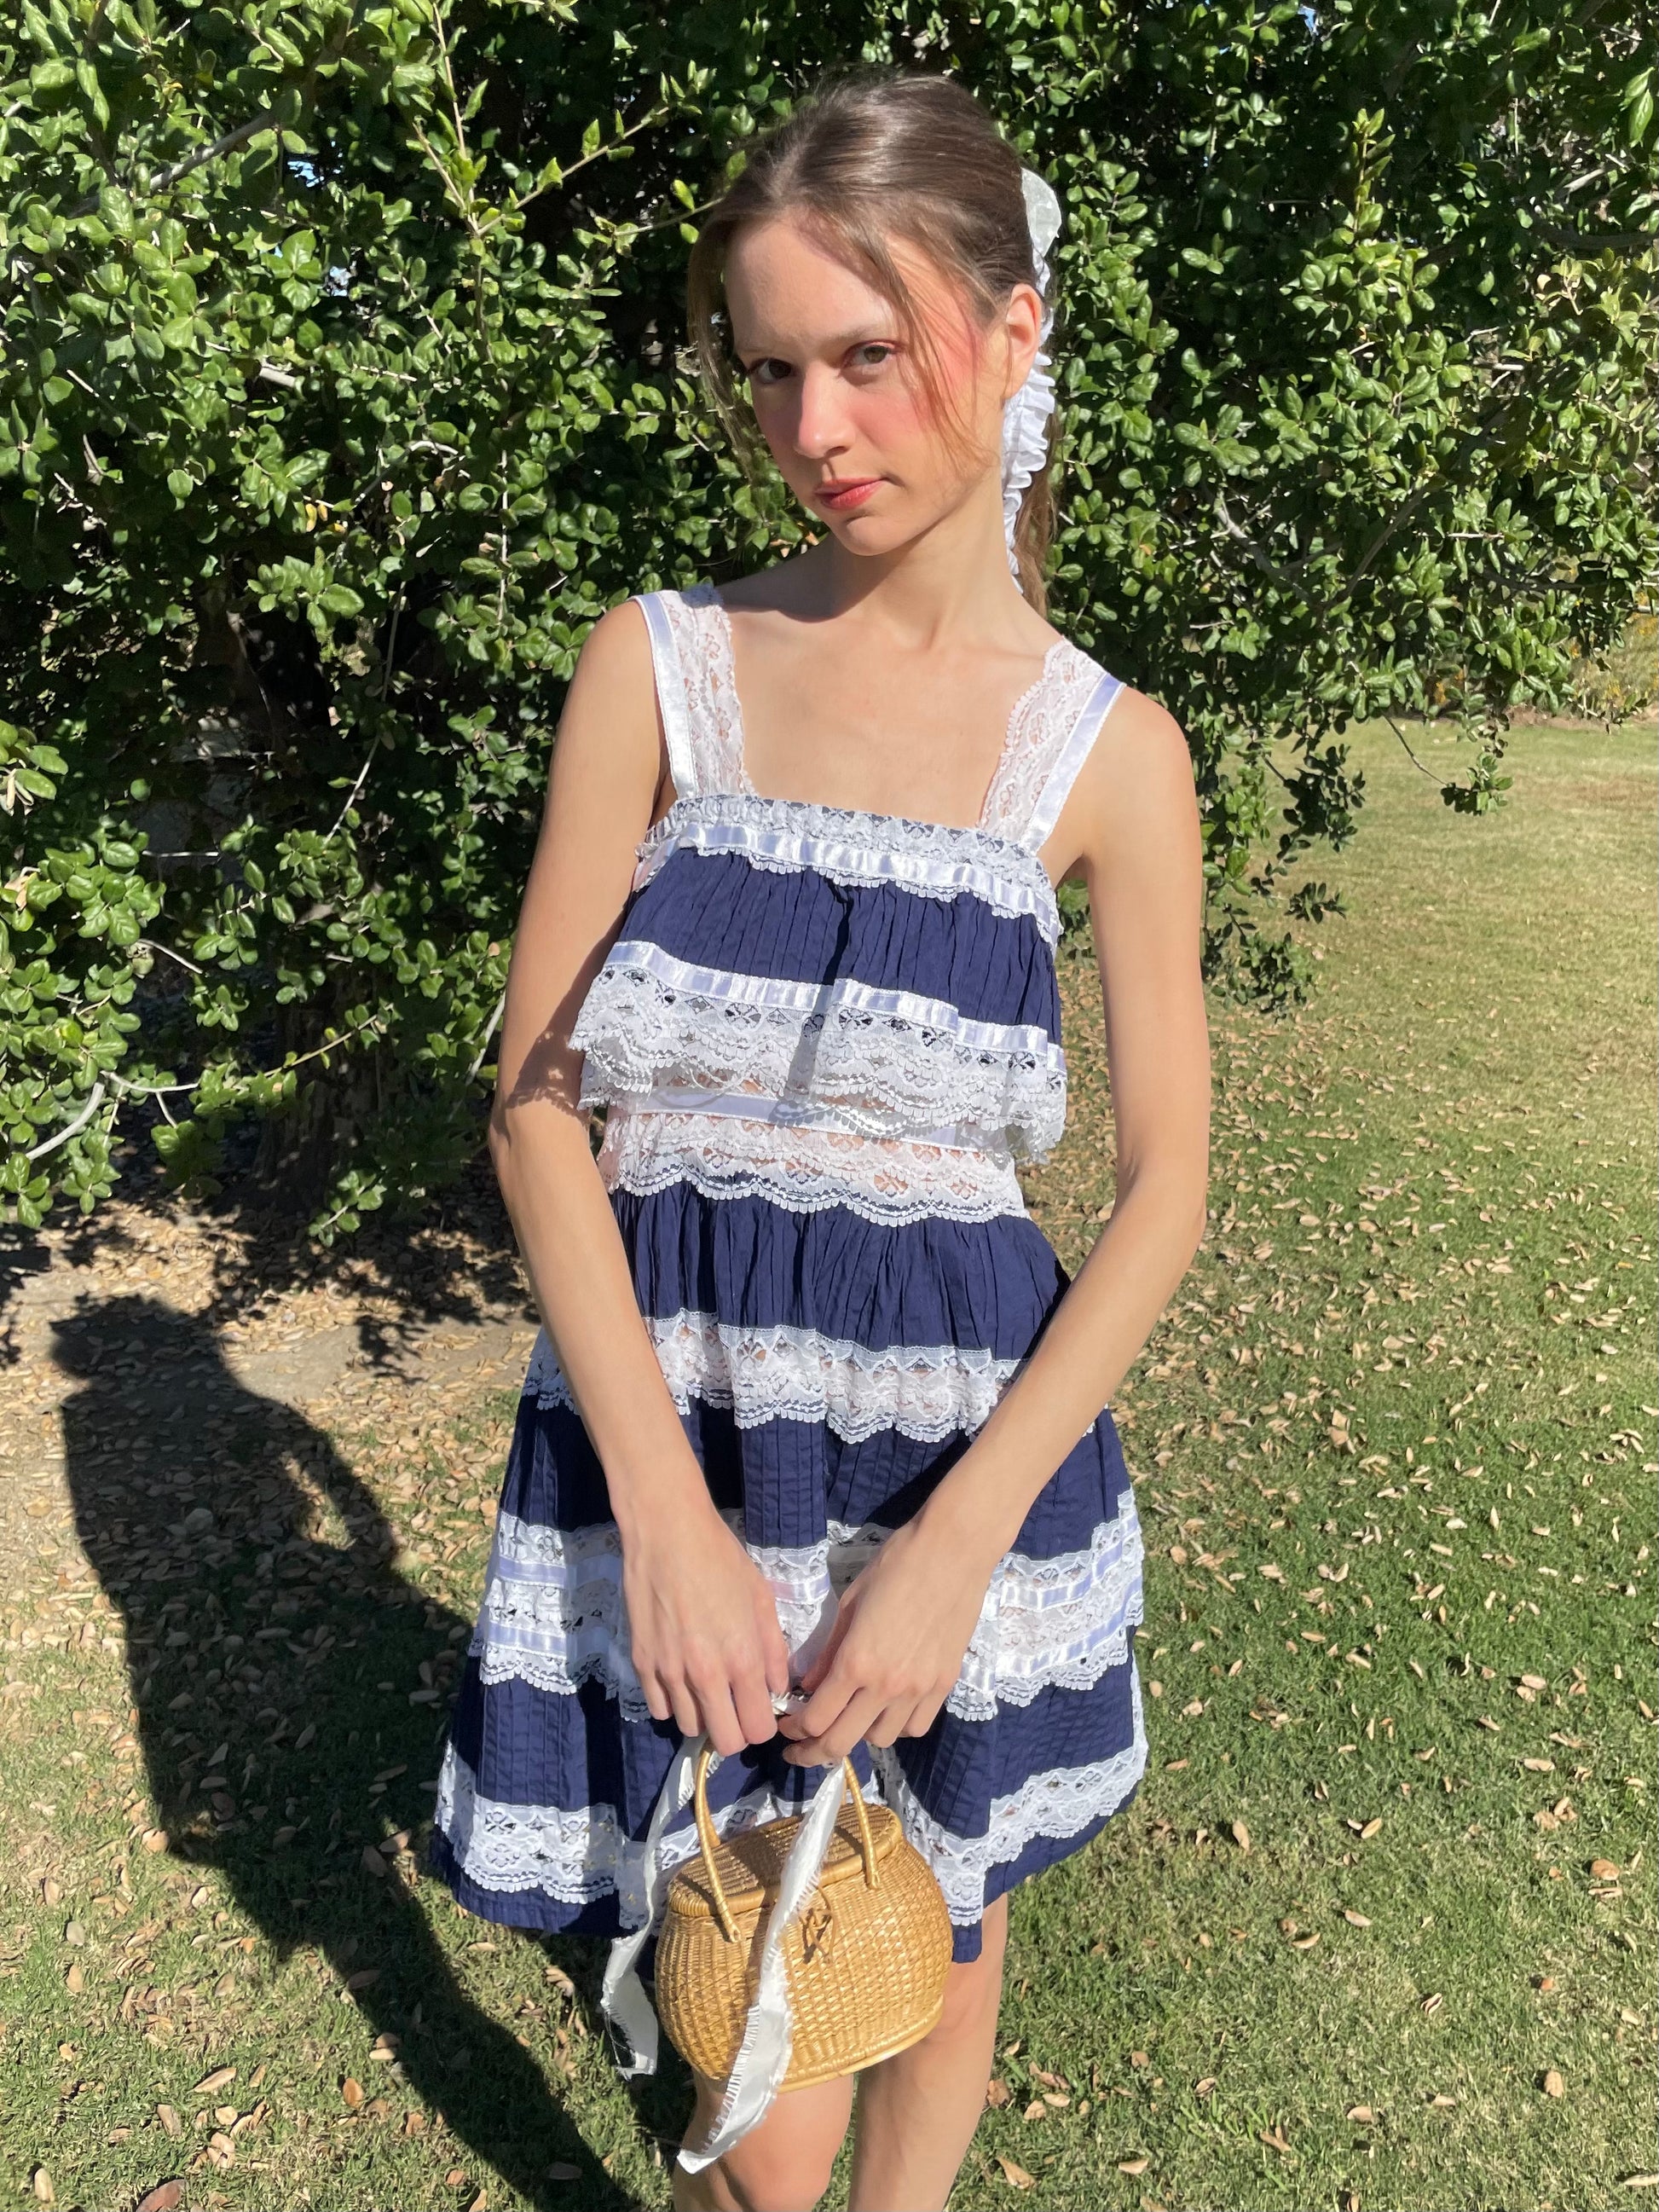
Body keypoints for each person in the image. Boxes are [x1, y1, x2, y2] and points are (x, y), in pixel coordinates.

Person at [431, 66, 1211, 2212]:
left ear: (1015, 330)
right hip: (675, 1430)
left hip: (956, 1459)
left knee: (937, 1934)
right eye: (770, 371)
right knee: (753, 2012)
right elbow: (538, 1108)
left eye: (867, 355)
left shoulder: (1109, 752)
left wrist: (960, 1552)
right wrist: (661, 1512)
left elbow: (1165, 1187)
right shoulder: (659, 665)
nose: (814, 428)